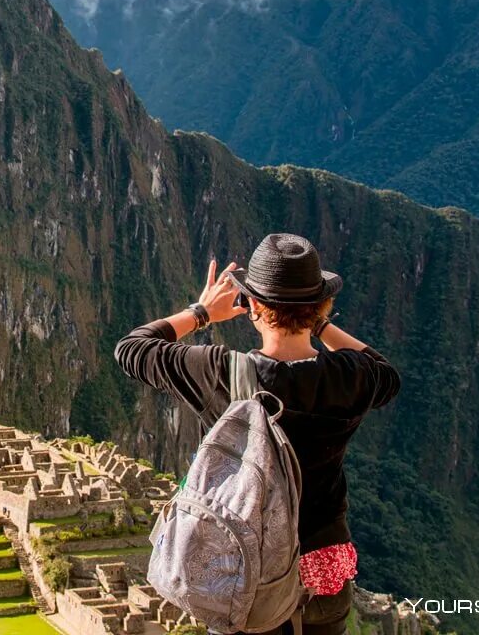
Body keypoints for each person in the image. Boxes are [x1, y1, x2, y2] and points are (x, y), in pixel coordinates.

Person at [115, 233, 400, 635]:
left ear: (251, 306)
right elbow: (386, 372)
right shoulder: (350, 378)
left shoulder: (218, 373)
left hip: (242, 573)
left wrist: (201, 312)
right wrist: (319, 324)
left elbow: (132, 348)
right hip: (322, 575)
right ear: (322, 305)